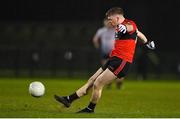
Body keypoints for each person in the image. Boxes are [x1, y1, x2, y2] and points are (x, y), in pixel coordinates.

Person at [54, 7, 155, 113]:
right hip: (113, 59)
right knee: (92, 80)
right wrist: (147, 42)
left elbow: (130, 27)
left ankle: (90, 109)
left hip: (122, 61)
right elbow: (139, 34)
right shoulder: (118, 26)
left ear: (117, 17)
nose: (109, 21)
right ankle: (69, 99)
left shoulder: (128, 24)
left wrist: (124, 28)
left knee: (98, 84)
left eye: (110, 19)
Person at [92, 18, 123, 89]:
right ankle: (108, 83)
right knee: (106, 69)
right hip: (105, 52)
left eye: (109, 22)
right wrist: (98, 47)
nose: (108, 23)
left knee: (117, 69)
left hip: (115, 52)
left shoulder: (116, 29)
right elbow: (95, 39)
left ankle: (119, 83)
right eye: (106, 22)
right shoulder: (101, 31)